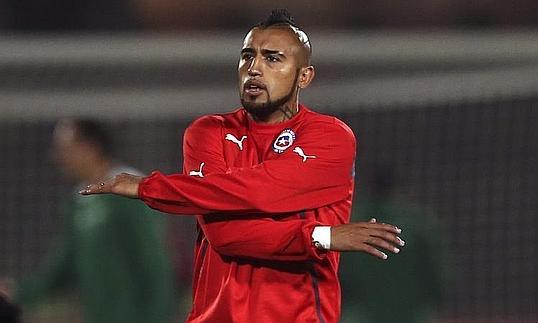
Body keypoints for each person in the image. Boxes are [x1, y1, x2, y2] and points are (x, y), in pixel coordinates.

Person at [81, 9, 405, 323]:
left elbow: (263, 190)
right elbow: (224, 234)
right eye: (248, 56)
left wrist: (150, 187)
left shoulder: (330, 137)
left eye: (272, 58)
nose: (254, 68)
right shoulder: (206, 132)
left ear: (304, 76)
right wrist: (324, 236)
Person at [13, 119, 175, 323]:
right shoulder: (77, 204)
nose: (59, 158)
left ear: (91, 148)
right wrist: (18, 294)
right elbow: (61, 268)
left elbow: (155, 266)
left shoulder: (131, 194)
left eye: (65, 149)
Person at [340, 165, 451, 323]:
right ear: (396, 187)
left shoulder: (352, 223)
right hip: (410, 314)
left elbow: (337, 270)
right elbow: (437, 274)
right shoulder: (419, 223)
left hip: (360, 315)